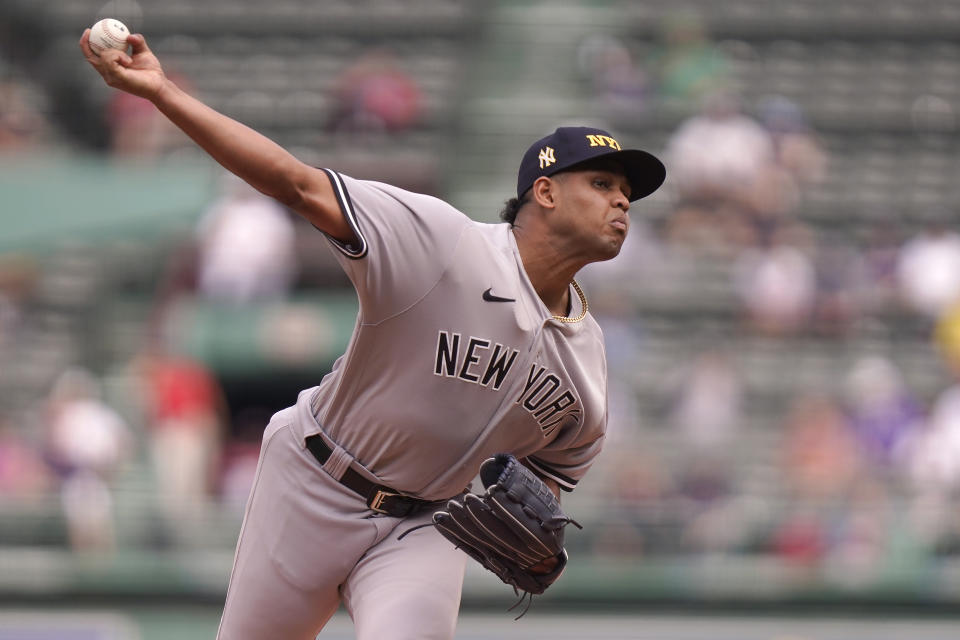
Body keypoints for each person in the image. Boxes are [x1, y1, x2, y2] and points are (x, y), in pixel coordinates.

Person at [80, 30, 665, 640]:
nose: (622, 202)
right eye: (602, 185)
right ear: (543, 192)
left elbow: (545, 480)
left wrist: (540, 528)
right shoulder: (441, 242)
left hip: (424, 526)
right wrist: (162, 93)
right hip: (314, 481)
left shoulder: (588, 365)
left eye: (627, 193)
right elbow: (296, 183)